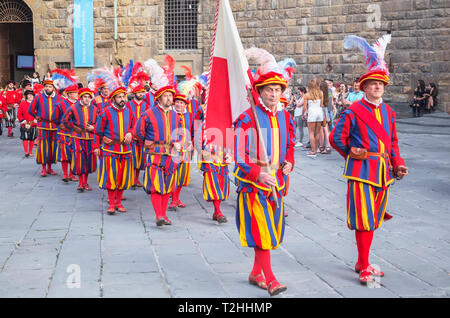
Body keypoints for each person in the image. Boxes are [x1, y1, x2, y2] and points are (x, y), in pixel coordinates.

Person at [330, 33, 408, 285]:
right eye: (373, 84)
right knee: (364, 220)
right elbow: (335, 138)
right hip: (361, 172)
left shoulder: (388, 111)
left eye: (380, 84)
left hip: (383, 172)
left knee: (372, 219)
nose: (377, 87)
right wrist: (352, 154)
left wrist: (398, 163)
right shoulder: (353, 110)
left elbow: (392, 143)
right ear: (364, 87)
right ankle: (364, 266)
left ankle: (361, 261)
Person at [233, 63, 295, 296]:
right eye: (268, 89)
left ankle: (256, 273)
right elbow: (238, 155)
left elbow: (289, 146)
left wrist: (289, 162)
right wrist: (257, 173)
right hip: (253, 185)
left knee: (272, 231)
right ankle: (270, 278)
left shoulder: (285, 117)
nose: (273, 93)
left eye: (277, 90)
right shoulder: (247, 117)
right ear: (259, 91)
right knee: (263, 231)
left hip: (277, 183)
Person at [134, 84, 181, 226]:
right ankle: (158, 215)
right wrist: (147, 142)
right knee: (155, 184)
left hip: (170, 154)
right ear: (159, 98)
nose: (169, 98)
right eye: (166, 96)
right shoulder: (148, 113)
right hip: (154, 154)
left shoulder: (175, 115)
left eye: (170, 96)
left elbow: (178, 132)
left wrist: (178, 142)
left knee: (167, 185)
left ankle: (164, 215)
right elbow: (138, 131)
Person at [96, 86, 135, 214]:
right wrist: (101, 141)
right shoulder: (106, 112)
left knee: (122, 177)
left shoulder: (129, 111)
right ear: (113, 99)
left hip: (126, 149)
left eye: (123, 96)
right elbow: (98, 130)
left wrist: (130, 133)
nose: (122, 99)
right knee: (111, 177)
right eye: (119, 97)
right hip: (110, 149)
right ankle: (111, 204)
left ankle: (119, 202)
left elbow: (134, 126)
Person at [62, 88, 98, 192]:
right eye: (85, 97)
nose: (87, 99)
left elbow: (100, 122)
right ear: (81, 97)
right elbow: (65, 120)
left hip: (90, 138)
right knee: (79, 159)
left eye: (88, 97)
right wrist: (73, 127)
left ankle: (85, 182)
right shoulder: (73, 107)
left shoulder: (94, 109)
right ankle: (81, 183)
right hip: (77, 138)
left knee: (88, 160)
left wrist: (93, 128)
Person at [28, 78, 60, 177]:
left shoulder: (59, 98)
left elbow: (64, 110)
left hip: (54, 126)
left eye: (50, 86)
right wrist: (36, 116)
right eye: (46, 86)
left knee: (53, 147)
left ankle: (50, 168)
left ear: (53, 88)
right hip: (43, 126)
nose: (47, 88)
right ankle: (43, 169)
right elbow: (31, 110)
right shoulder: (38, 97)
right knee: (43, 147)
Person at [169, 94, 194, 211]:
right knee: (174, 174)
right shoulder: (169, 115)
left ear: (185, 105)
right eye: (177, 102)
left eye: (181, 103)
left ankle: (176, 198)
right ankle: (173, 200)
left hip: (186, 151)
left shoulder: (190, 116)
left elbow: (194, 131)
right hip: (173, 150)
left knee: (183, 175)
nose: (179, 104)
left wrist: (192, 143)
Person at [53, 85, 79, 182]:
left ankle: (72, 174)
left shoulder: (80, 104)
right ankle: (65, 174)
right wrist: (60, 125)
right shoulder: (61, 104)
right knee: (64, 154)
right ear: (69, 94)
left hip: (76, 133)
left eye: (77, 92)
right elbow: (54, 117)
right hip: (64, 133)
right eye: (75, 93)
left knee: (74, 154)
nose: (77, 94)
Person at [127, 84, 150, 189]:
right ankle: (131, 180)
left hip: (142, 136)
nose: (141, 94)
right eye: (139, 92)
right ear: (135, 93)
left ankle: (136, 179)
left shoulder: (147, 106)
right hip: (131, 136)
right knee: (132, 158)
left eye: (143, 92)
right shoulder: (128, 105)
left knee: (140, 160)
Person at [302, 79, 324, 157]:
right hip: (319, 112)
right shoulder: (321, 93)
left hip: (312, 112)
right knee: (317, 132)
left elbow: (305, 107)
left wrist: (303, 114)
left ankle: (313, 150)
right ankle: (316, 149)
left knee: (311, 132)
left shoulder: (307, 95)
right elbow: (321, 104)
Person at [17, 90, 37, 157]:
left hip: (33, 123)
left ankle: (30, 151)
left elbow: (39, 113)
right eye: (28, 95)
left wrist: (36, 119)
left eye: (31, 95)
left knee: (32, 138)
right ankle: (26, 152)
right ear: (26, 96)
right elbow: (19, 114)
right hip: (25, 123)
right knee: (25, 138)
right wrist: (23, 121)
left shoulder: (36, 104)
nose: (30, 96)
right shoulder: (22, 103)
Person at [319, 81, 332, 154]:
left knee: (323, 130)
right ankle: (326, 146)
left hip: (322, 111)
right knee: (325, 130)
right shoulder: (327, 93)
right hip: (326, 111)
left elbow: (320, 104)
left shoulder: (321, 93)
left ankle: (325, 146)